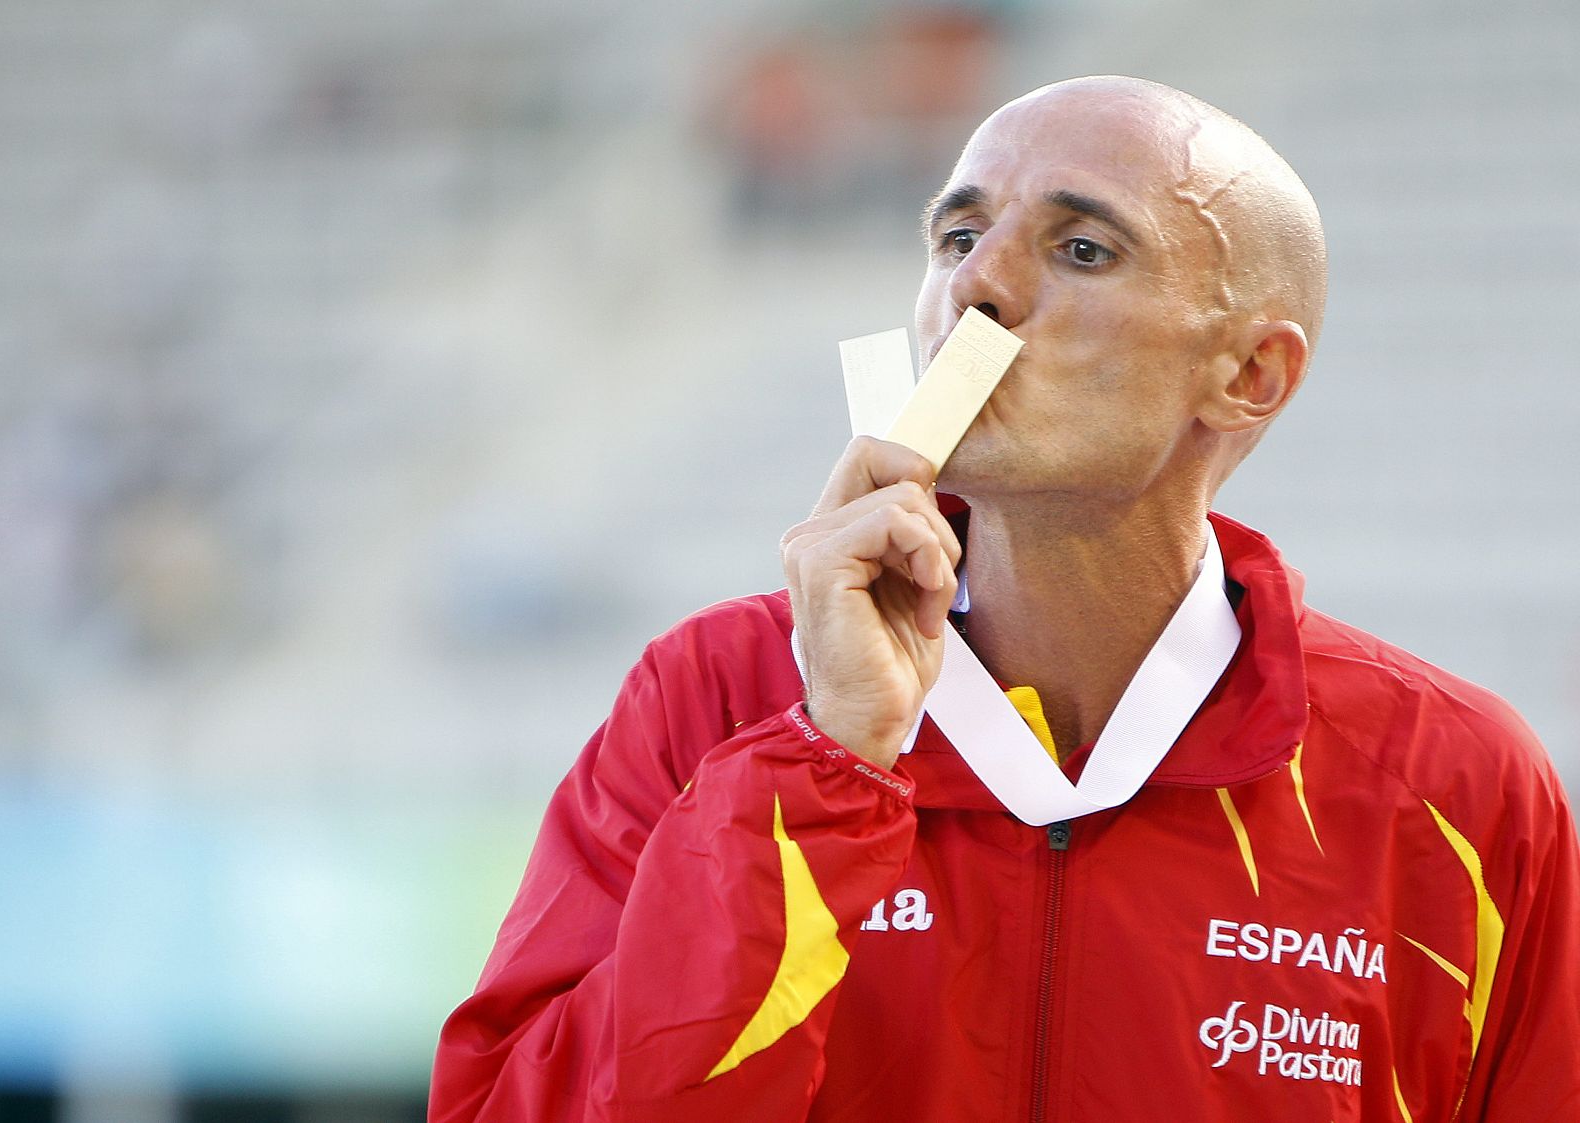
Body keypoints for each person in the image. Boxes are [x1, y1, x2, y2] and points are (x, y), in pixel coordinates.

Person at [429, 76, 1580, 1122]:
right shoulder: (716, 696)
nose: (976, 286)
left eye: (1081, 249)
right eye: (959, 235)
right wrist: (824, 763)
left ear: (1248, 376)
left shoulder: (1453, 783)